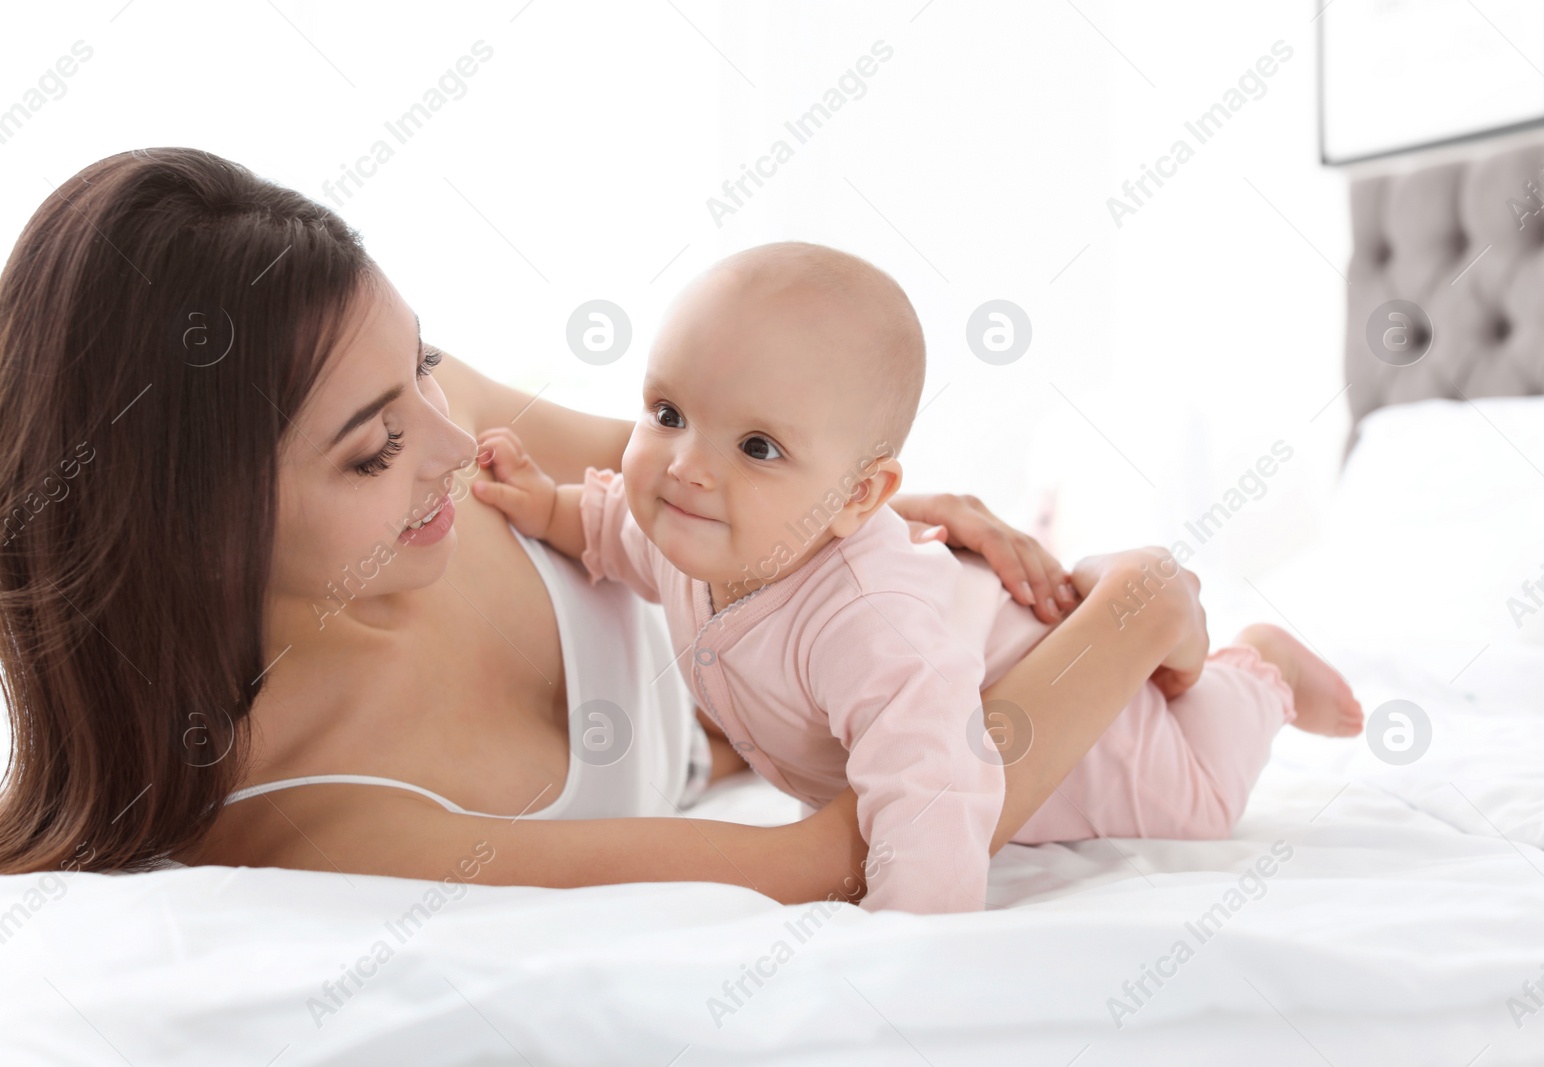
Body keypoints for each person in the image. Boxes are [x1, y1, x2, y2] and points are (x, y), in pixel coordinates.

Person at [0, 149, 1210, 906]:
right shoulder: (319, 815)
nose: (451, 451)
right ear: (198, 529)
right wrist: (1141, 602)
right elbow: (844, 855)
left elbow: (732, 467)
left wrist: (876, 527)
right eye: (373, 448)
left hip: (825, 626)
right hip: (795, 722)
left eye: (424, 362)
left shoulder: (419, 415)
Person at [471, 242, 1365, 913]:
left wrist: (911, 940)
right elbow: (617, 530)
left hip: (1101, 745)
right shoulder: (692, 527)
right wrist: (545, 506)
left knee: (1199, 793)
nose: (686, 466)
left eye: (757, 446)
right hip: (986, 634)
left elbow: (934, 795)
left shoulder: (868, 622)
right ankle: (1117, 591)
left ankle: (1262, 673)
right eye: (667, 412)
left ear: (860, 495)